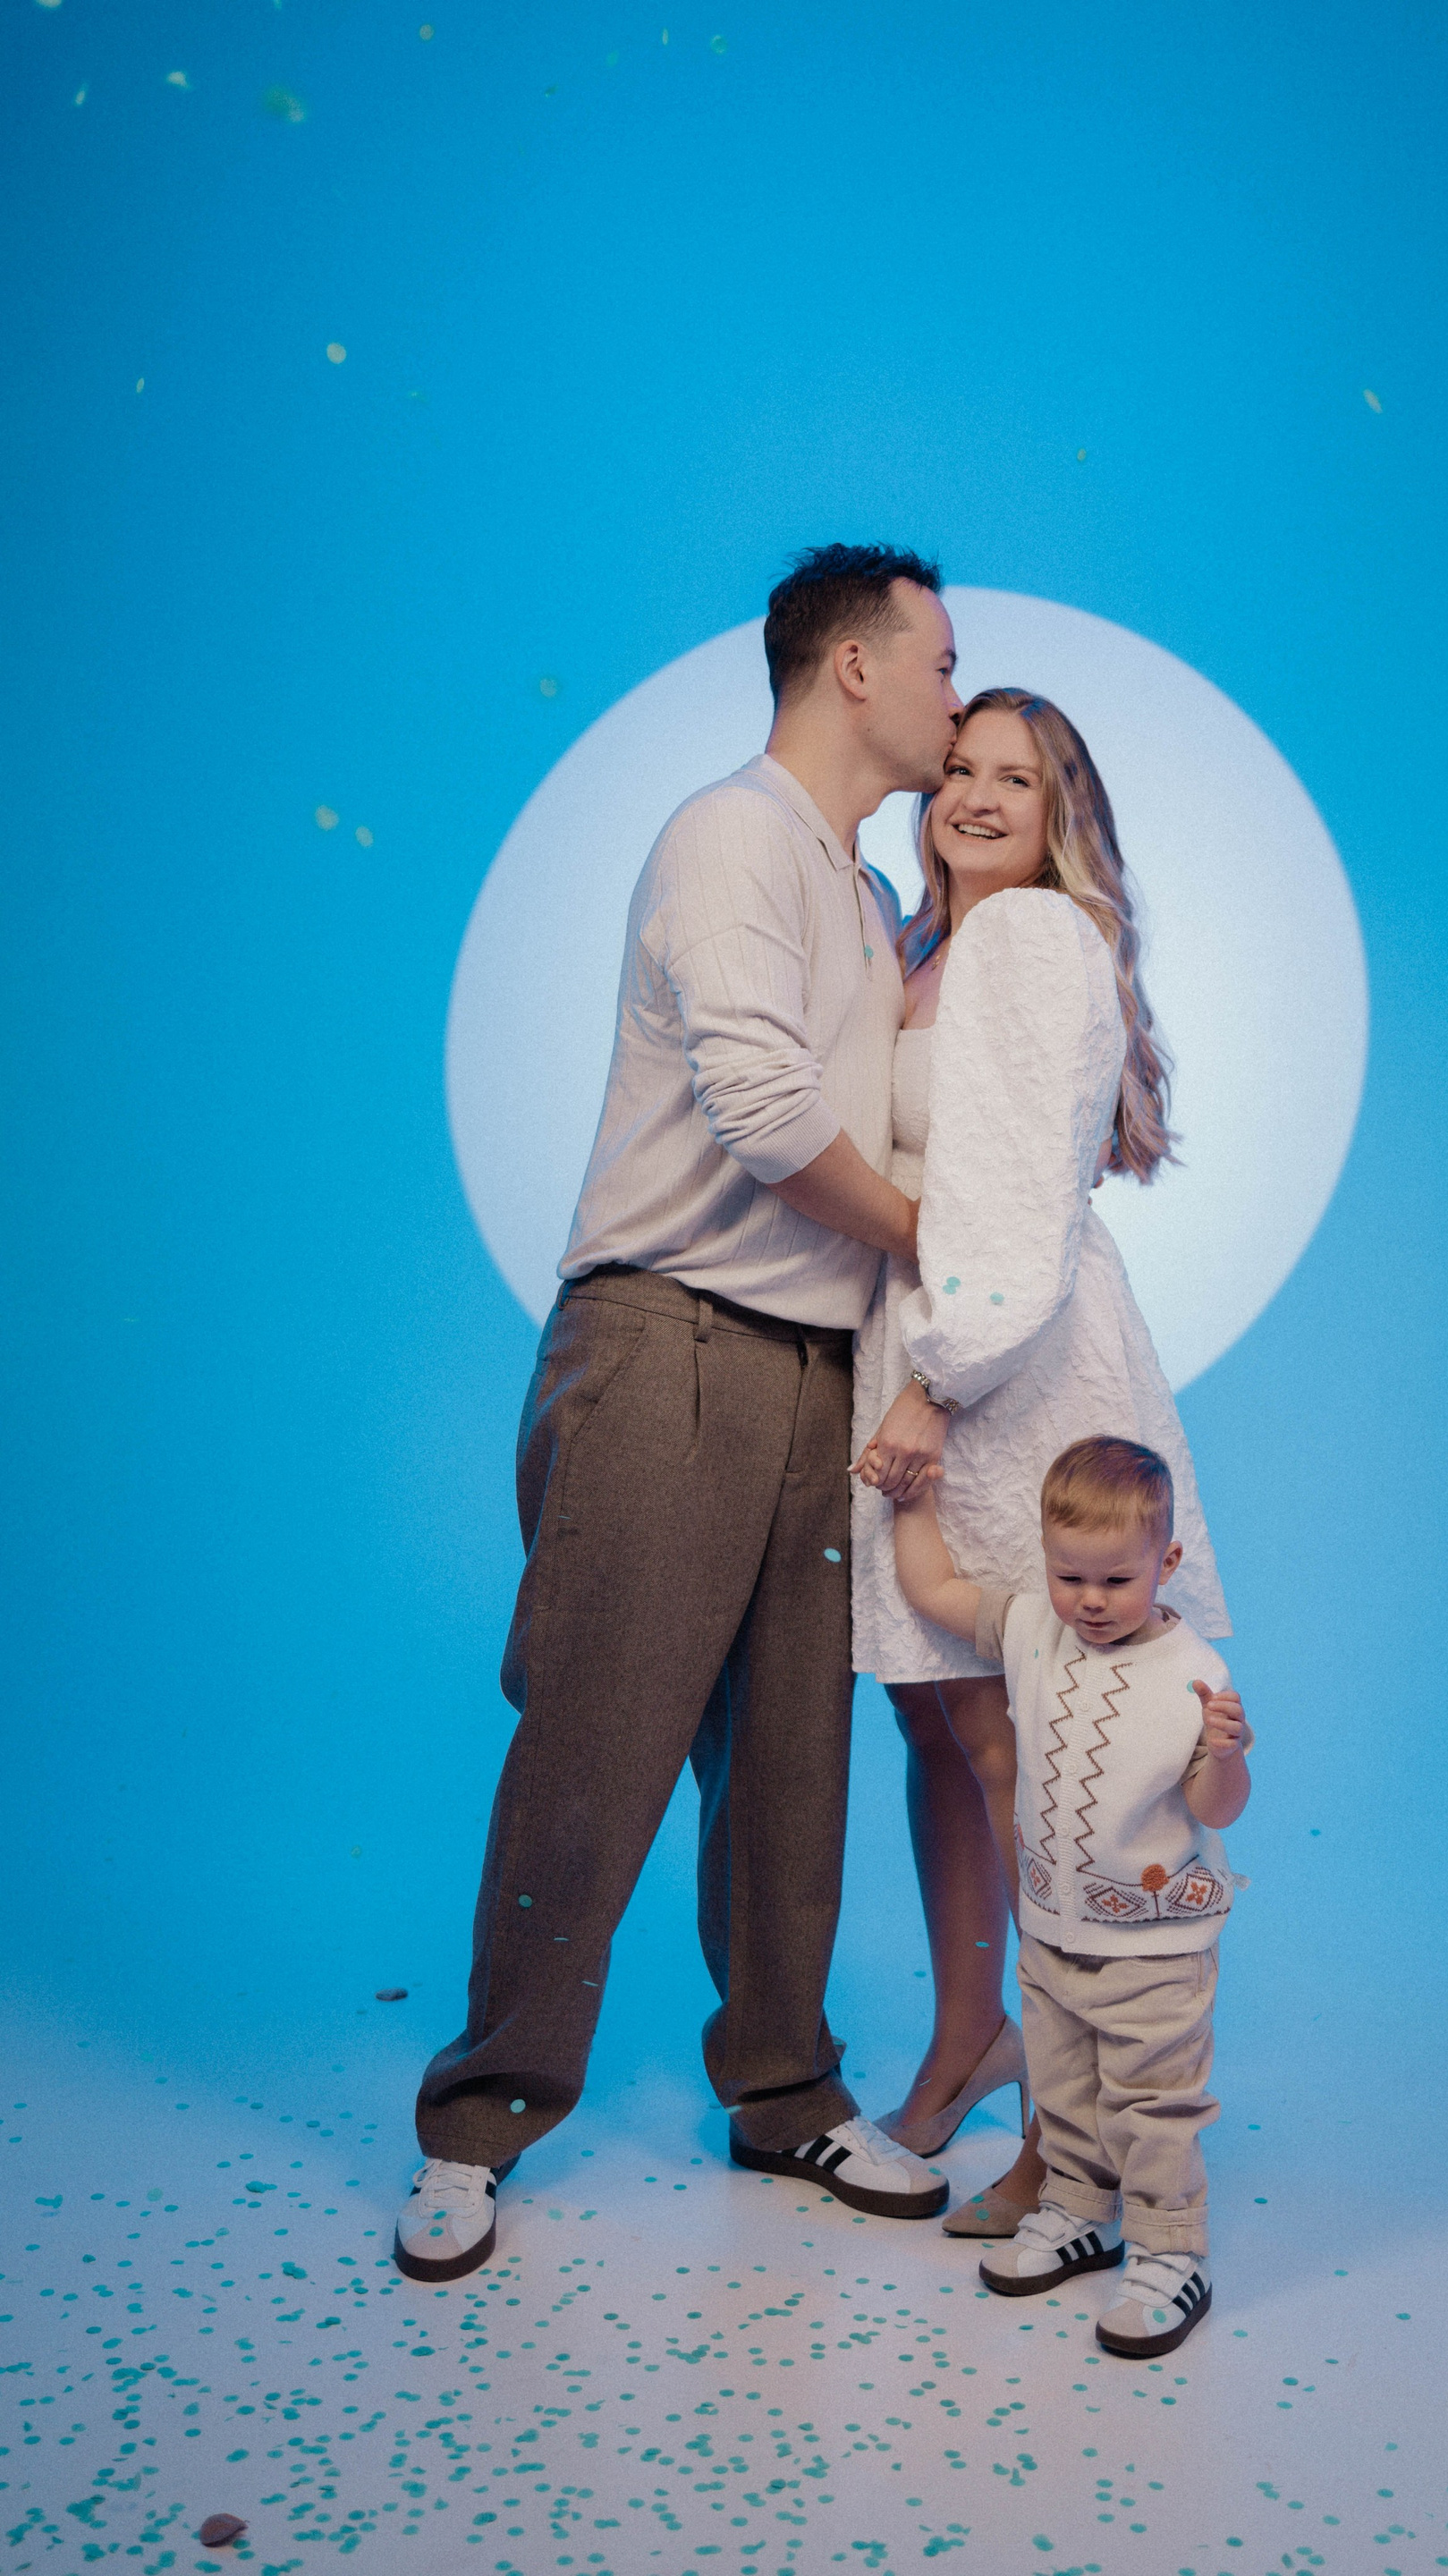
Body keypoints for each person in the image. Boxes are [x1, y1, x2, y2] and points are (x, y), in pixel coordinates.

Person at [395, 544, 966, 2284]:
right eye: (941, 662)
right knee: (597, 1736)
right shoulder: (730, 833)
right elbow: (761, 1109)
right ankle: (476, 2124)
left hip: (816, 1367)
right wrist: (947, 1242)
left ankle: (786, 2094)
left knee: (795, 1761)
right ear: (854, 666)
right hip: (668, 1338)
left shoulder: (866, 891)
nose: (956, 696)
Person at [848, 688, 1231, 2237]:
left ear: (1064, 813)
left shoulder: (1030, 937)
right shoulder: (923, 946)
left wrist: (939, 1390)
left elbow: (1017, 1191)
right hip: (926, 1347)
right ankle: (972, 2041)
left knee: (1024, 1746)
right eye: (960, 769)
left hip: (1003, 1370)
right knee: (938, 1724)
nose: (980, 796)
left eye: (1020, 777)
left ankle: (1067, 2134)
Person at [891, 1435, 1251, 2359]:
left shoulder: (1194, 1673)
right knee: (1065, 2084)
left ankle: (1172, 2248)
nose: (1091, 1601)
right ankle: (1080, 2211)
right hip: (1053, 1928)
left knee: (1152, 2102)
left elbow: (1218, 1809)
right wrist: (912, 1503)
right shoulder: (1030, 1630)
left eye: (1117, 1581)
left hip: (1155, 1945)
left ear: (1167, 1561)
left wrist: (1226, 1754)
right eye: (1069, 1577)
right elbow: (934, 1591)